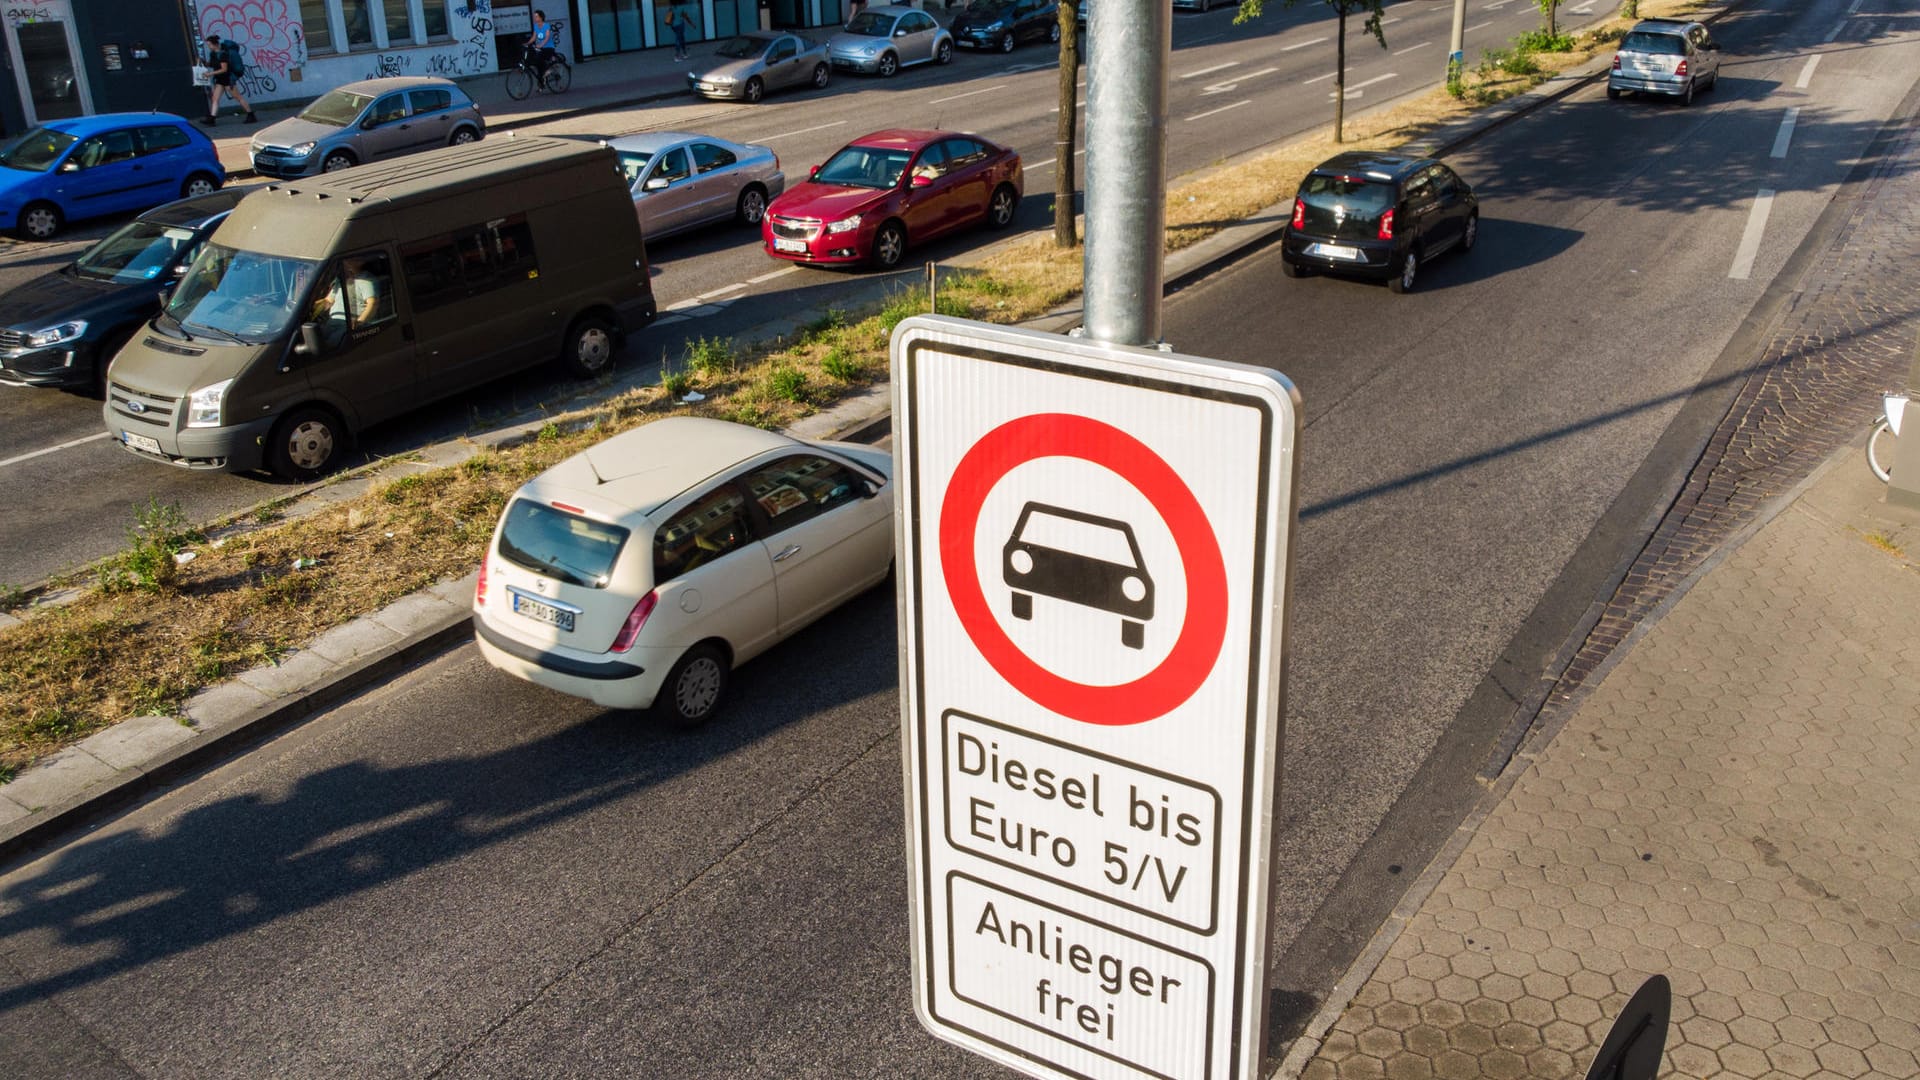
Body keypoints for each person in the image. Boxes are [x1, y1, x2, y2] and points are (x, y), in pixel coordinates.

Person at [201, 34, 256, 125]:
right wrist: (204, 63)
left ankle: (250, 114)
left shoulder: (223, 54)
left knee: (237, 97)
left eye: (210, 45)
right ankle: (212, 119)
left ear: (215, 44)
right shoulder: (213, 54)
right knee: (215, 99)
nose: (209, 47)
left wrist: (210, 74)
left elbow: (224, 69)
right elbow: (212, 65)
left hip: (227, 79)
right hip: (220, 80)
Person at [524, 10, 558, 82]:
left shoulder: (546, 26)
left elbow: (547, 37)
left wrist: (541, 45)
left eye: (536, 16)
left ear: (541, 17)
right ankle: (541, 79)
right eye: (534, 17)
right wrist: (527, 43)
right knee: (536, 60)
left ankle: (548, 70)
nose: (535, 18)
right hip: (541, 48)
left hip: (549, 48)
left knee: (539, 59)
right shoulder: (536, 26)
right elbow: (534, 37)